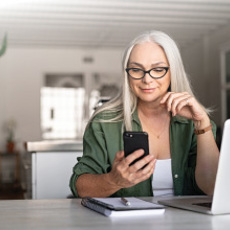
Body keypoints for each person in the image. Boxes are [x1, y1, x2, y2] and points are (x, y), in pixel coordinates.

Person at [70, 30, 219, 198]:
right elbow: (80, 188)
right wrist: (114, 180)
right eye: (136, 69)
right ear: (127, 74)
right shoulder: (104, 122)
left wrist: (202, 124)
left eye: (157, 69)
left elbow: (212, 187)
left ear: (173, 71)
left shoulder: (197, 123)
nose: (147, 79)